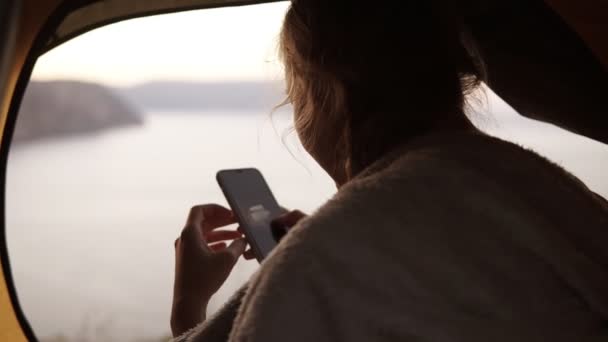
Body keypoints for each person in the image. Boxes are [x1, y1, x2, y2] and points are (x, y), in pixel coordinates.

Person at [170, 1, 608, 341]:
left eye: (295, 93)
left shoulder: (325, 262)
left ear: (327, 90)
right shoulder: (561, 196)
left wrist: (189, 302)